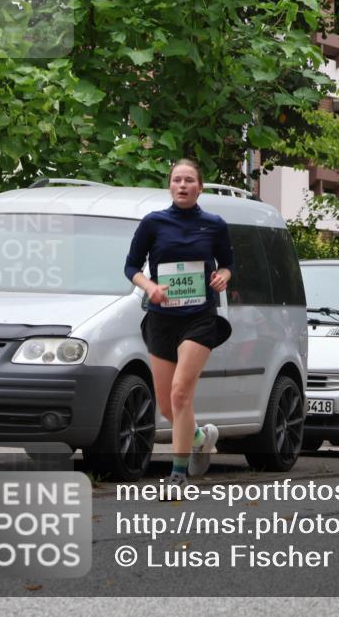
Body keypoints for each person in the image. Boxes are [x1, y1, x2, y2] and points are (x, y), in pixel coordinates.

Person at [124, 159, 234, 491]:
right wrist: (149, 287)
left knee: (180, 393)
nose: (182, 185)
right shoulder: (153, 223)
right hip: (162, 318)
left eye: (189, 180)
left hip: (199, 317)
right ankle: (200, 437)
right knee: (167, 405)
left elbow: (228, 265)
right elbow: (131, 266)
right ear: (169, 186)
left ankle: (177, 474)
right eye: (176, 180)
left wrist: (222, 277)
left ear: (200, 187)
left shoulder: (214, 225)